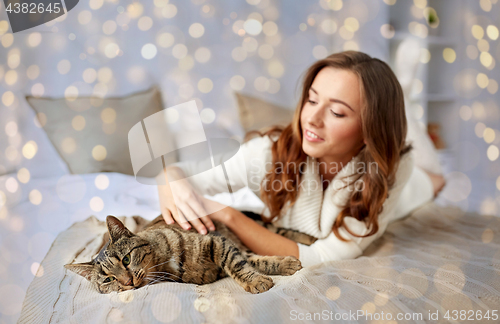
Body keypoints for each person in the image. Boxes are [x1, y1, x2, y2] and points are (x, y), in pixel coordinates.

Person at [156, 51, 446, 267]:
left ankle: (404, 96)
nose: (312, 120)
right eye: (312, 99)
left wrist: (230, 216)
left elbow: (321, 256)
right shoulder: (264, 154)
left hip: (409, 186)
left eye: (337, 113)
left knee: (436, 179)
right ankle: (402, 94)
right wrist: (168, 181)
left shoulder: (391, 169)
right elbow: (178, 174)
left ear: (370, 130)